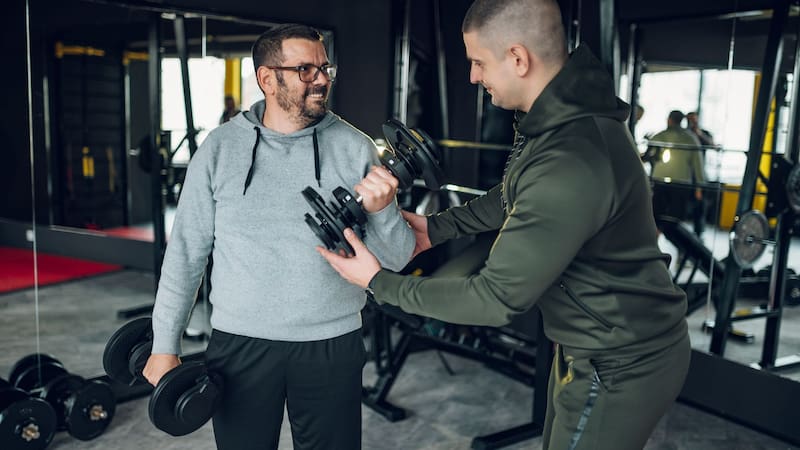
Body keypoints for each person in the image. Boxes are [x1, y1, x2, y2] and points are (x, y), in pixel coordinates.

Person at [317, 1, 690, 449]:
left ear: (518, 58)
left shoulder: (570, 157)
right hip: (589, 344)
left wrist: (378, 282)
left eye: (478, 62)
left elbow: (494, 300)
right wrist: (434, 229)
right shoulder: (555, 125)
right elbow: (510, 197)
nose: (473, 76)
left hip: (621, 360)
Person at [143, 24, 414, 450]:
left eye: (325, 67)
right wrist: (164, 343)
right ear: (267, 79)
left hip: (332, 341)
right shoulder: (219, 150)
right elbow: (186, 254)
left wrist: (383, 213)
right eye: (305, 69)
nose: (321, 78)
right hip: (240, 344)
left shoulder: (354, 147)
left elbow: (396, 259)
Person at [647, 110, 707, 235]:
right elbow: (698, 164)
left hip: (660, 180)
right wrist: (699, 187)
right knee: (676, 217)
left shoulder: (658, 136)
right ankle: (680, 247)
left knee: (656, 214)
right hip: (681, 182)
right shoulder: (691, 138)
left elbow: (650, 156)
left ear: (669, 119)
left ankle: (653, 243)